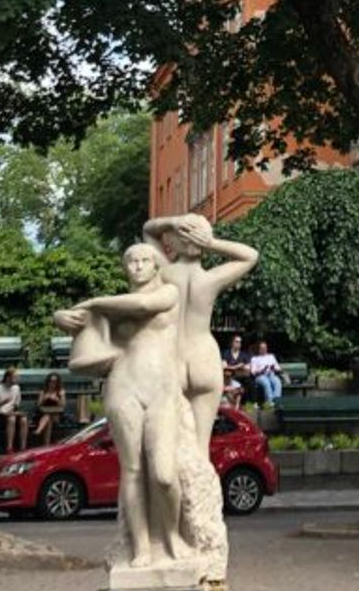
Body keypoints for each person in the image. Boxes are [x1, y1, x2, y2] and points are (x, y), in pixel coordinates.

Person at [53, 243, 187, 567]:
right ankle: (141, 545)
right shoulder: (111, 310)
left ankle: (171, 535)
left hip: (161, 388)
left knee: (164, 474)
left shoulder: (168, 293)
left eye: (145, 261)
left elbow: (143, 305)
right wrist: (61, 315)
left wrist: (92, 303)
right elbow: (82, 334)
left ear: (156, 266)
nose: (138, 267)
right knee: (132, 469)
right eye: (131, 262)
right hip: (123, 385)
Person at [142, 213, 260, 456]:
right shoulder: (210, 279)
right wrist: (211, 243)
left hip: (172, 356)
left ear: (173, 241)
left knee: (167, 447)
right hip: (204, 356)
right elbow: (251, 255)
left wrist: (172, 223)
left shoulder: (164, 273)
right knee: (199, 451)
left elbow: (148, 231)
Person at [0, 366, 27, 453]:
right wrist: (2, 403)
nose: (17, 379)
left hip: (11, 412)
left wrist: (14, 410)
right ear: (8, 377)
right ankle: (9, 447)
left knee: (23, 419)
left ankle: (23, 447)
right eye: (15, 377)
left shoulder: (16, 388)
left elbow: (16, 403)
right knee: (11, 419)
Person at [33, 372, 67, 447]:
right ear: (48, 382)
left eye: (55, 381)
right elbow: (38, 406)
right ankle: (46, 445)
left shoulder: (61, 392)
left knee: (49, 417)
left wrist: (57, 400)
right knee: (48, 418)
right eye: (51, 381)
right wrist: (44, 399)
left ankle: (39, 430)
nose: (52, 383)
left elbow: (63, 406)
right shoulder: (43, 392)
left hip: (57, 415)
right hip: (44, 415)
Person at [246, 338, 283, 406]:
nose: (264, 349)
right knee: (266, 383)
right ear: (259, 349)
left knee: (277, 381)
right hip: (260, 376)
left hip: (271, 374)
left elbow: (278, 368)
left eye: (265, 348)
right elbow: (253, 372)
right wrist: (261, 370)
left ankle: (276, 400)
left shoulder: (271, 356)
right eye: (262, 348)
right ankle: (269, 402)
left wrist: (274, 368)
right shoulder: (255, 359)